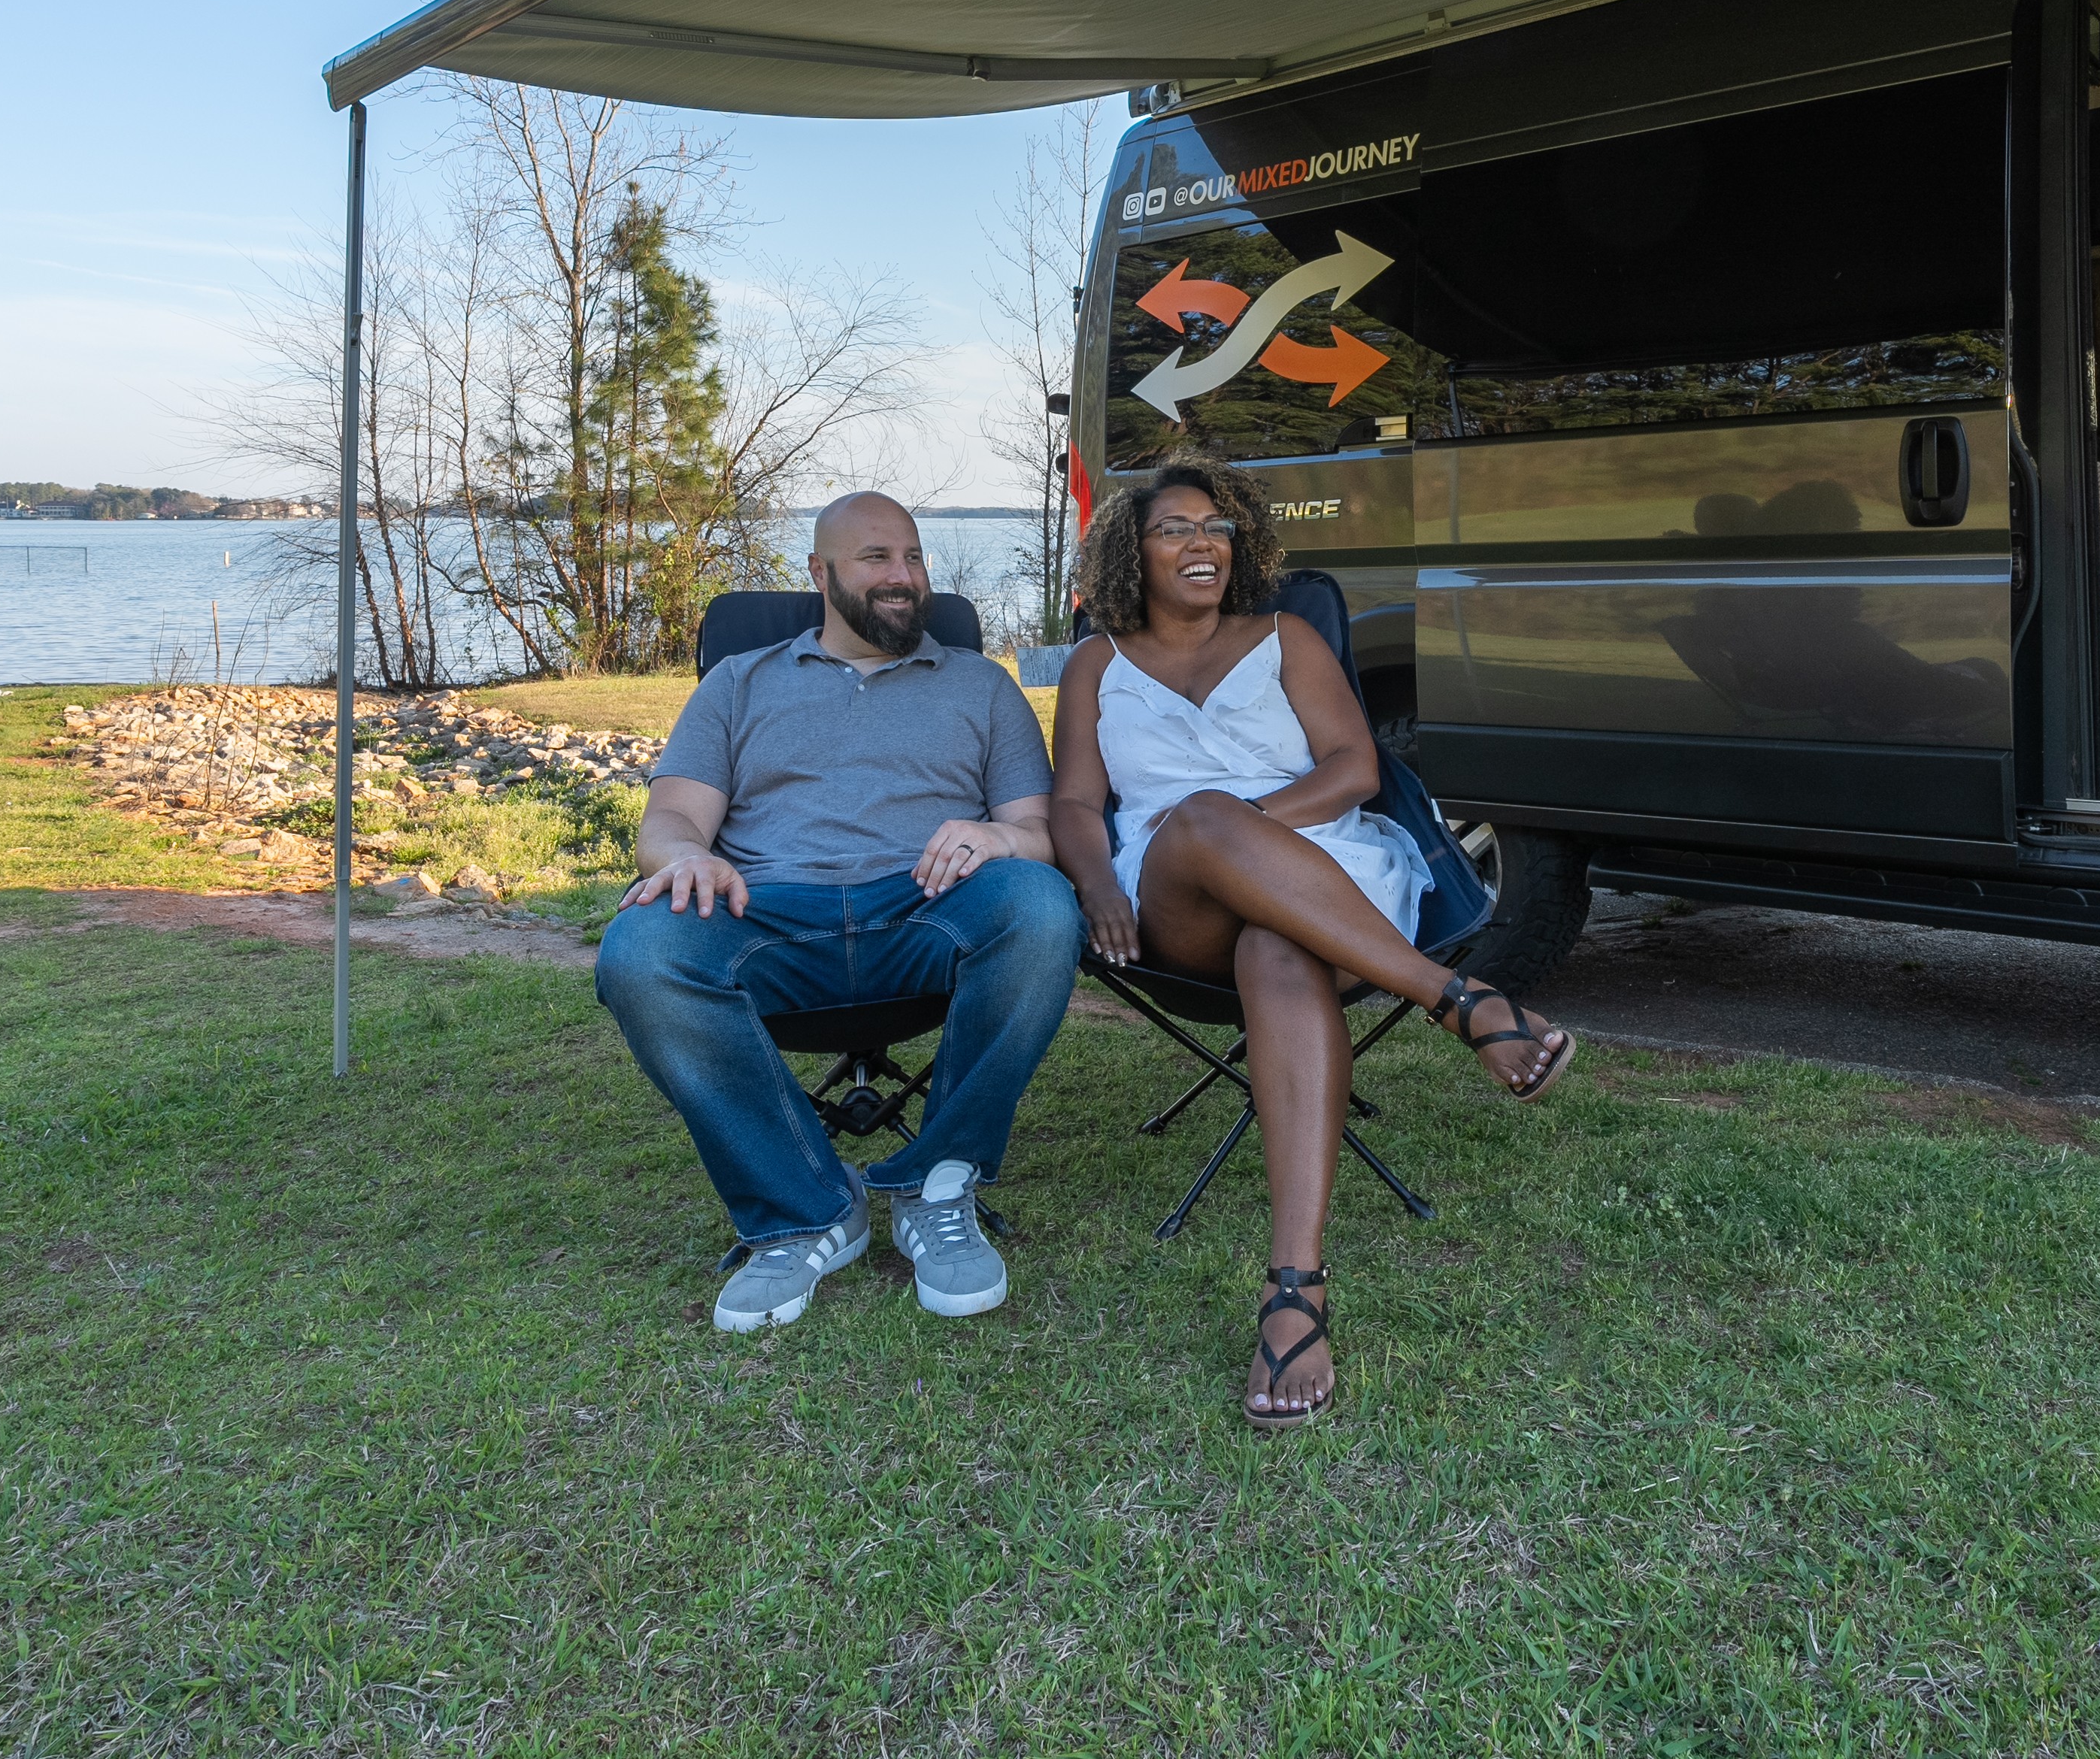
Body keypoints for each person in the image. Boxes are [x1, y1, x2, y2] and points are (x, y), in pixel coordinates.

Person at [1048, 455, 1572, 1429]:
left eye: (1216, 526)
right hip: (1171, 894)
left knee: (1275, 948)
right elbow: (1076, 804)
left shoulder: (1284, 636)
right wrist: (1091, 879)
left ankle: (1294, 1288)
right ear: (1133, 549)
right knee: (1200, 822)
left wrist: (1255, 836)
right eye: (1174, 529)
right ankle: (1457, 1000)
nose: (1200, 542)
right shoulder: (1095, 663)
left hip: (1323, 872)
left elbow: (1352, 769)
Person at [596, 492, 1081, 1332]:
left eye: (914, 557)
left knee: (1040, 905)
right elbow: (670, 821)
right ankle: (806, 1210)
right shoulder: (738, 683)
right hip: (768, 915)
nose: (903, 578)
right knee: (640, 948)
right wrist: (687, 857)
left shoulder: (982, 686)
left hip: (928, 909)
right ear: (819, 573)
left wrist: (997, 841)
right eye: (876, 559)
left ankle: (940, 1185)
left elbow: (1037, 833)